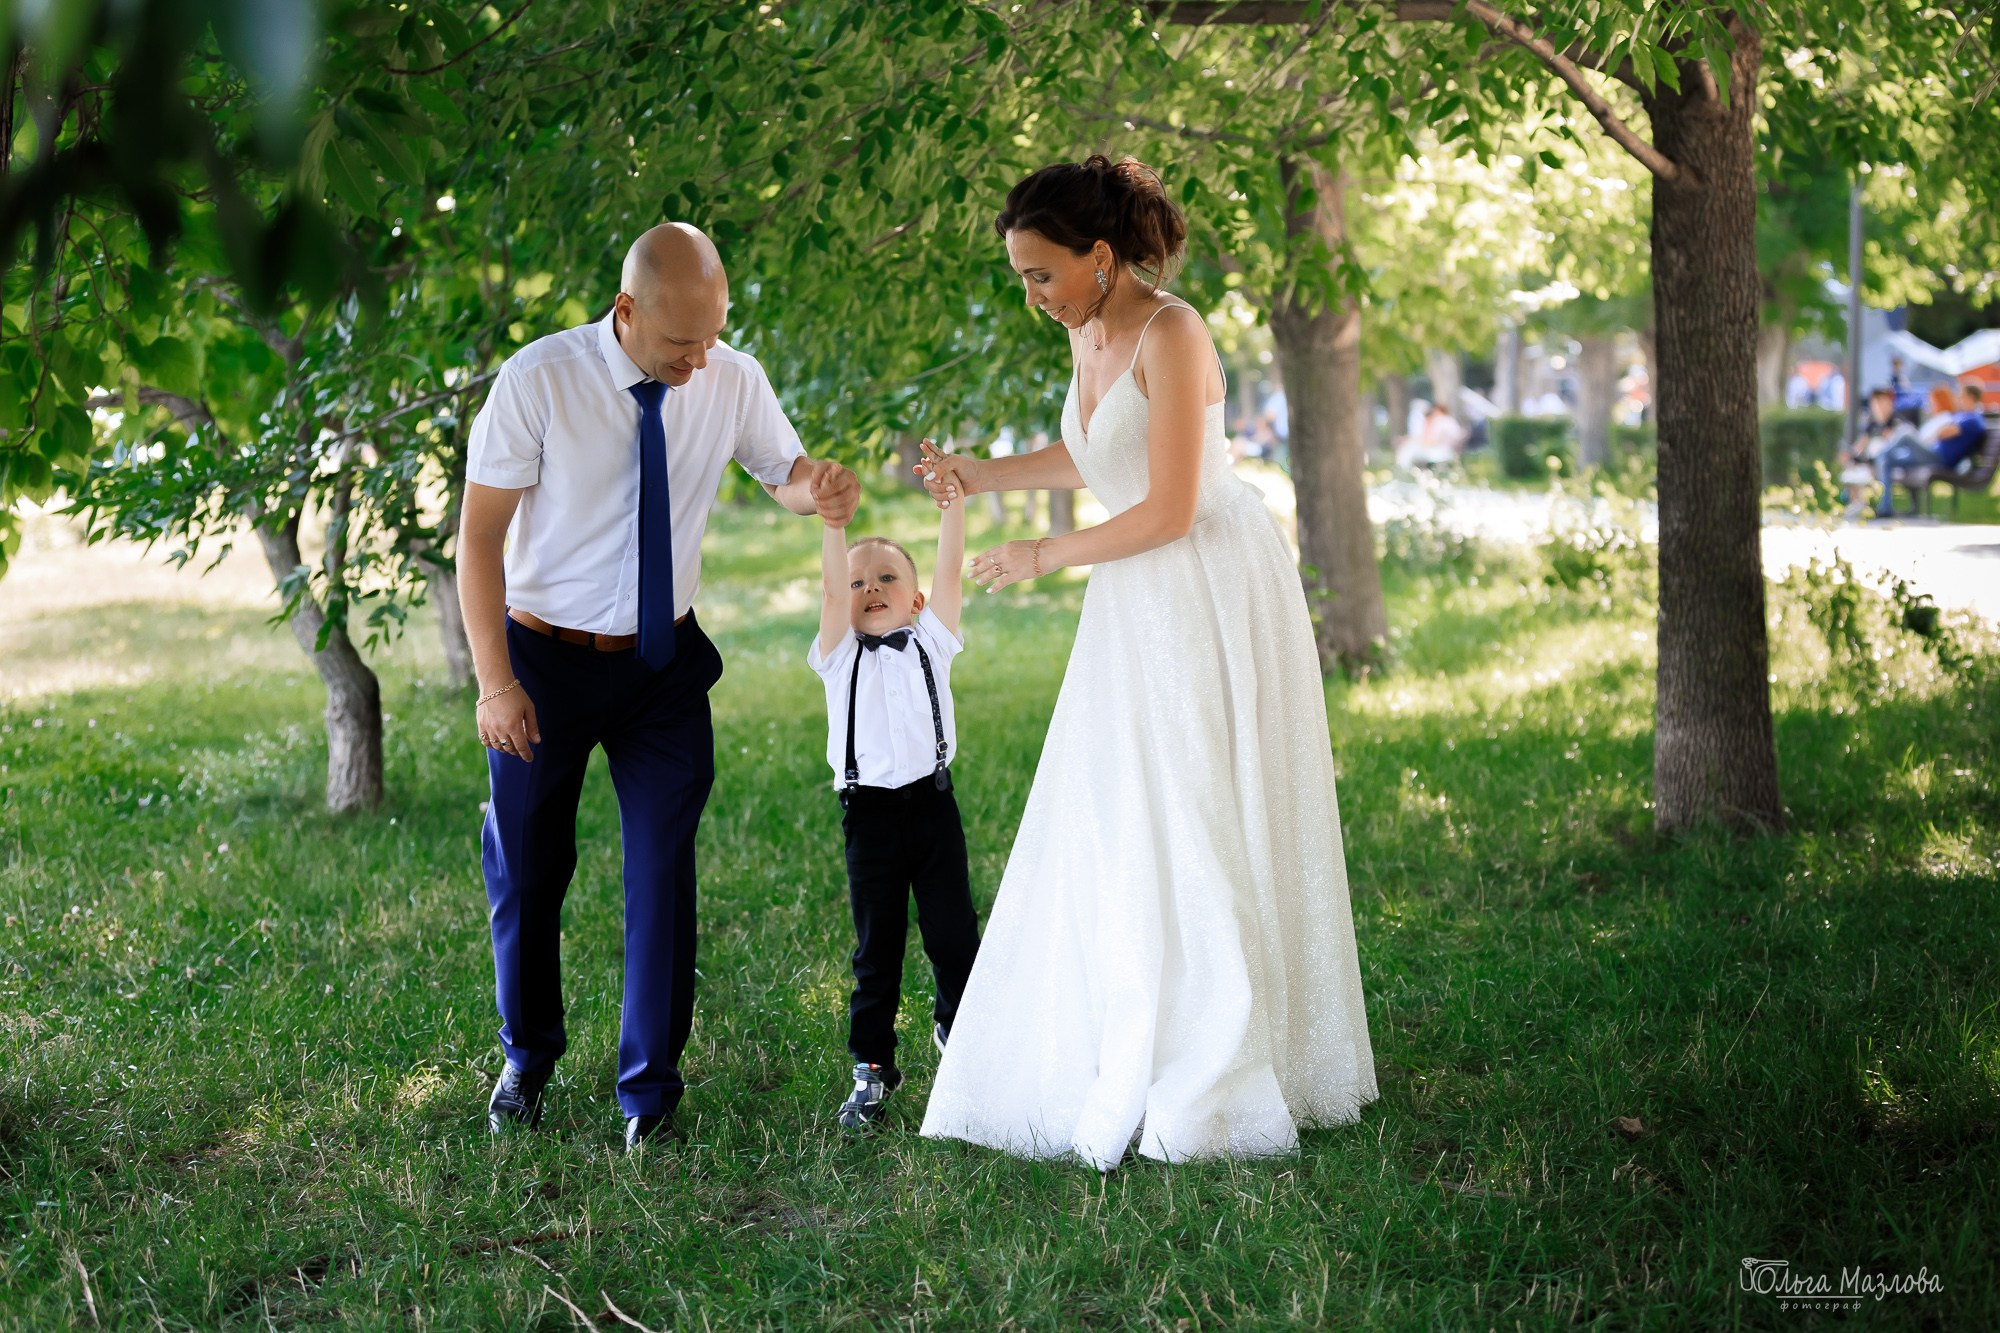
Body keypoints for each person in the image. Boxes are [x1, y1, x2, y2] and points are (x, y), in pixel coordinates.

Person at [913, 155, 1377, 1170]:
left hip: (1204, 583)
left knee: (1201, 803)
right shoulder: (1086, 331)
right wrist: (979, 476)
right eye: (1020, 277)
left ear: (1101, 257)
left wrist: (1043, 553)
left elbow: (1169, 506)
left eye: (1040, 274)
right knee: (1124, 805)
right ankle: (1132, 1016)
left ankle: (1227, 1049)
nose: (1030, 295)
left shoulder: (1173, 331)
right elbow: (1091, 456)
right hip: (1133, 597)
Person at [458, 223, 859, 1151]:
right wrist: (493, 681)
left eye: (712, 336)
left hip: (663, 665)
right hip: (541, 661)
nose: (699, 358)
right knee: (528, 864)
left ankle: (650, 1092)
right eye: (681, 343)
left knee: (661, 871)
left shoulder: (729, 375)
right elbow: (478, 540)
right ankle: (528, 1052)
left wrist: (818, 487)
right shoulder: (539, 380)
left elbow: (781, 472)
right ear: (625, 310)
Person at [809, 490, 981, 1132]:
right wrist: (835, 526)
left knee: (953, 933)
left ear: (915, 600)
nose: (870, 588)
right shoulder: (837, 655)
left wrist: (952, 506)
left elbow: (949, 565)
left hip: (933, 807)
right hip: (869, 817)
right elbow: (831, 594)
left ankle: (956, 1027)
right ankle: (873, 1068)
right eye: (857, 582)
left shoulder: (933, 640)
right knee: (876, 947)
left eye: (887, 578)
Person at [1874, 382, 1989, 518]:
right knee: (1887, 461)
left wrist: (1943, 430)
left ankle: (1881, 453)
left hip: (1940, 459)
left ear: (1971, 397)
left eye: (1961, 395)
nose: (1958, 398)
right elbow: (1943, 431)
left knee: (1905, 433)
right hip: (1932, 454)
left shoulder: (1973, 419)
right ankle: (1885, 507)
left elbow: (1943, 433)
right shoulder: (1962, 416)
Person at [1396, 401, 1469, 471]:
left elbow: (1432, 442)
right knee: (1410, 447)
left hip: (1441, 452)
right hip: (1448, 451)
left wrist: (1415, 440)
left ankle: (1404, 470)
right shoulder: (1450, 421)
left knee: (1409, 449)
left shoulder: (1440, 422)